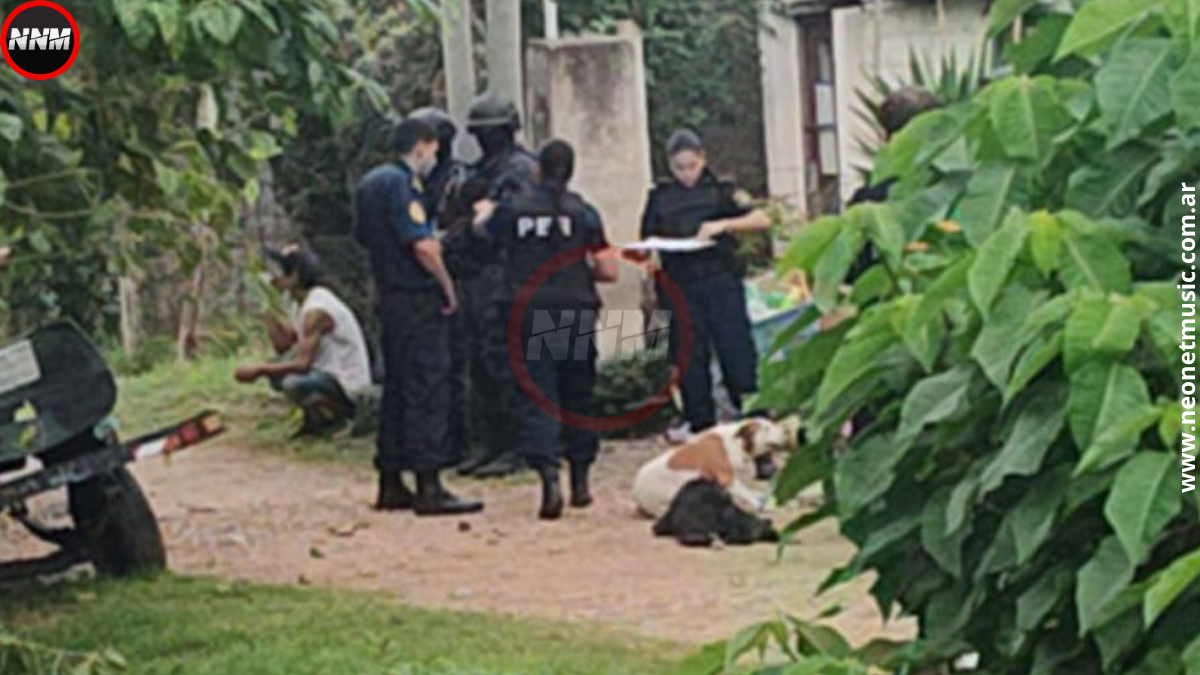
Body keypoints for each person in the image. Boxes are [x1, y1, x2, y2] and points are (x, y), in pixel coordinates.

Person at [474, 139, 619, 519]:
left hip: (529, 311)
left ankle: (549, 479)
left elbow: (482, 233)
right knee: (578, 395)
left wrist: (485, 211)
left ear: (538, 169)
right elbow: (609, 270)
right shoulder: (584, 212)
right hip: (576, 310)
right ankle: (581, 482)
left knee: (538, 395)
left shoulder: (513, 209)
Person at [353, 117, 483, 517]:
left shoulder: (370, 183)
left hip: (388, 296)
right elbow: (423, 247)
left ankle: (391, 479)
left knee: (396, 389)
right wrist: (447, 286)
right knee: (428, 387)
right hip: (417, 299)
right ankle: (430, 484)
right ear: (422, 145)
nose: (434, 159)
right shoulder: (403, 184)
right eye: (433, 150)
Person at [640, 129, 772, 437]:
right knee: (689, 360)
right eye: (679, 168)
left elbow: (761, 219)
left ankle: (754, 424)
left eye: (691, 166)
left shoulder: (722, 190)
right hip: (680, 287)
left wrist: (724, 225)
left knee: (737, 354)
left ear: (703, 159)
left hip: (720, 281)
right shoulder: (660, 196)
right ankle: (700, 427)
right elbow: (646, 240)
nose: (686, 174)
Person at [443, 92, 539, 479]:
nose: (486, 140)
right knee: (480, 363)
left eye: (492, 132)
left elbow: (511, 222)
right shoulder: (482, 170)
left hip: (505, 273)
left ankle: (516, 445)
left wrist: (473, 225)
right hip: (477, 275)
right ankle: (489, 442)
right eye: (481, 133)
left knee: (505, 361)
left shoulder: (521, 170)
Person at [234, 246, 372, 436]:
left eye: (279, 272)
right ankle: (317, 418)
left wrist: (260, 370)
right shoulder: (300, 304)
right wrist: (266, 304)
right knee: (277, 373)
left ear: (294, 276)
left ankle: (336, 417)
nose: (273, 278)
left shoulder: (316, 310)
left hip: (345, 384)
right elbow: (283, 345)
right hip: (324, 374)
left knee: (293, 382)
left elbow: (302, 363)